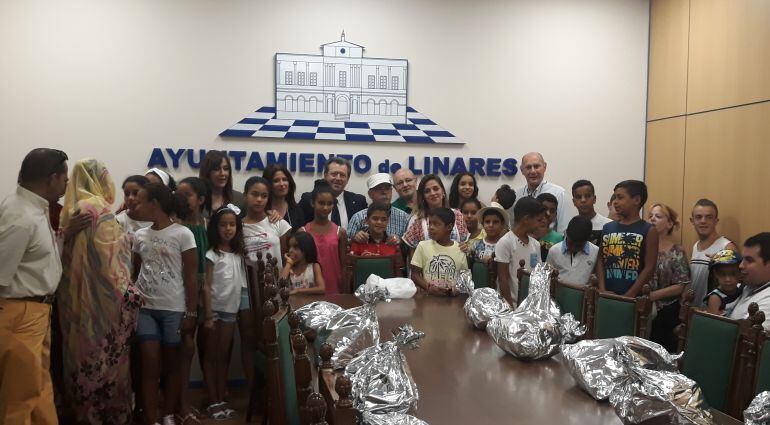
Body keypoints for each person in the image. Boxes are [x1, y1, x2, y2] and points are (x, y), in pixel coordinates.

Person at [57, 158, 142, 424]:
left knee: (78, 354)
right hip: (103, 307)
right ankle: (108, 415)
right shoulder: (100, 210)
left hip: (74, 301)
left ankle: (82, 412)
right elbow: (110, 261)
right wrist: (127, 240)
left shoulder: (71, 208)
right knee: (106, 359)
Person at [0, 148, 73, 424]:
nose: (67, 184)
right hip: (20, 312)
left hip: (36, 311)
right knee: (20, 398)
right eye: (65, 178)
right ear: (52, 178)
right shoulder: (21, 216)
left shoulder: (34, 207)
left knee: (40, 390)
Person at [130, 182, 198, 425]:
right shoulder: (140, 235)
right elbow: (136, 271)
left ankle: (168, 413)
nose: (136, 205)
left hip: (174, 309)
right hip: (146, 309)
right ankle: (151, 418)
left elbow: (191, 277)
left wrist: (191, 312)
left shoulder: (183, 234)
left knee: (172, 366)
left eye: (141, 200)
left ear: (154, 204)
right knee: (150, 365)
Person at [240, 176, 290, 389]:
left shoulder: (277, 222)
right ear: (245, 196)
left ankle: (276, 389)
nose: (259, 200)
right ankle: (254, 390)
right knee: (249, 338)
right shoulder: (237, 225)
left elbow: (290, 256)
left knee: (276, 339)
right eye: (254, 194)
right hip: (245, 289)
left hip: (277, 290)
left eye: (264, 196)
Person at [202, 205, 246, 421]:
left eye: (232, 225)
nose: (228, 229)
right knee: (210, 357)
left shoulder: (238, 254)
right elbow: (207, 286)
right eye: (223, 225)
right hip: (215, 312)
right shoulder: (212, 254)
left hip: (230, 311)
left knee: (222, 357)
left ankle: (221, 398)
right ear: (215, 228)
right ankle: (212, 400)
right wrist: (208, 315)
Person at [173, 176, 211, 424]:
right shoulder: (174, 225)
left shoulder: (206, 224)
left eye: (187, 194)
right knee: (182, 350)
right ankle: (179, 405)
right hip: (178, 294)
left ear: (200, 199)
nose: (181, 198)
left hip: (200, 295)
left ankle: (181, 403)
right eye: (179, 193)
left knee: (190, 350)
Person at [597, 180, 658, 297]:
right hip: (607, 294)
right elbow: (600, 259)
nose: (615, 202)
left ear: (636, 200)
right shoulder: (607, 228)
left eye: (620, 198)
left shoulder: (649, 230)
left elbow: (650, 267)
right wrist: (602, 289)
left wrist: (629, 295)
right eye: (614, 198)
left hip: (634, 298)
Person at [647, 203, 689, 353]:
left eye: (658, 216)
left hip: (667, 310)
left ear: (669, 223)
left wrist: (653, 296)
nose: (652, 219)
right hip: (642, 306)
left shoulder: (677, 251)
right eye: (650, 216)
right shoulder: (642, 247)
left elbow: (681, 285)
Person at [495, 197, 546, 306]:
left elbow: (538, 275)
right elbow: (503, 279)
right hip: (513, 305)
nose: (541, 224)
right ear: (526, 219)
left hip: (530, 306)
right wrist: (510, 309)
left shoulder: (535, 244)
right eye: (539, 220)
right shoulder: (505, 242)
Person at [689, 199, 737, 308]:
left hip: (713, 313)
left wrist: (719, 265)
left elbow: (734, 285)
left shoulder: (726, 247)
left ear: (716, 221)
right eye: (698, 217)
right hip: (694, 310)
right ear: (692, 221)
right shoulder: (695, 246)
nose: (703, 221)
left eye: (709, 217)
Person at [410, 208, 469, 296]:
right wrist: (428, 287)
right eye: (430, 224)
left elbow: (464, 278)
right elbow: (415, 275)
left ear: (449, 227)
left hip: (451, 300)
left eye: (436, 224)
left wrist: (455, 290)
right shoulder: (423, 246)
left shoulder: (459, 249)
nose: (431, 227)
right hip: (429, 298)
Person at [302, 183, 347, 294]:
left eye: (329, 203)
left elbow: (344, 264)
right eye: (321, 203)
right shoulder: (303, 232)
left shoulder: (340, 232)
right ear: (313, 203)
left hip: (335, 285)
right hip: (310, 285)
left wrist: (346, 289)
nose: (325, 207)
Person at [402, 174, 468, 250]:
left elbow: (464, 244)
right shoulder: (417, 220)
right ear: (423, 197)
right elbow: (412, 253)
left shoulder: (457, 215)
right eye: (427, 191)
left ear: (443, 192)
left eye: (436, 189)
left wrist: (465, 247)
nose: (432, 193)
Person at [298, 157, 367, 228]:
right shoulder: (309, 199)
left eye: (342, 175)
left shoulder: (359, 201)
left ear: (347, 179)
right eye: (334, 174)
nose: (338, 178)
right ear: (325, 175)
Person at [346, 173, 409, 245]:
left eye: (387, 188)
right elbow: (346, 245)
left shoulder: (404, 217)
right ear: (370, 194)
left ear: (391, 191)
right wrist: (355, 238)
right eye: (379, 189)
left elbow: (411, 245)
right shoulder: (358, 217)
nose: (384, 192)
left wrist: (400, 241)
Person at [515, 152, 568, 232]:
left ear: (544, 167)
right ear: (522, 170)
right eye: (528, 167)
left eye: (536, 166)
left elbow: (563, 230)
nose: (533, 171)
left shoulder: (559, 193)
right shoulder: (517, 195)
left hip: (551, 243)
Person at [729, 233, 770, 330]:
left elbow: (746, 337)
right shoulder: (748, 285)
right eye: (743, 259)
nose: (741, 266)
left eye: (749, 260)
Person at [546, 216, 599, 286]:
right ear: (566, 232)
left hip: (583, 296)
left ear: (588, 238)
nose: (573, 248)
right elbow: (546, 276)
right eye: (570, 243)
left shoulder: (596, 252)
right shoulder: (554, 250)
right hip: (558, 294)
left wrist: (596, 280)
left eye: (578, 246)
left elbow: (598, 277)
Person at [198, 150, 245, 214]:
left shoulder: (239, 198)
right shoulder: (197, 199)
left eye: (226, 169)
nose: (222, 173)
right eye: (217, 169)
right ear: (207, 172)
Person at [262, 163, 305, 229]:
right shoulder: (261, 209)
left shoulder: (296, 210)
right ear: (268, 185)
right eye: (276, 181)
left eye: (284, 179)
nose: (282, 184)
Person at [571, 179, 612, 247]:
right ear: (574, 202)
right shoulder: (571, 227)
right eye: (578, 197)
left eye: (587, 196)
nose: (583, 200)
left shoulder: (608, 225)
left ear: (594, 199)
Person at [704, 249, 743, 316]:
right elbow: (710, 323)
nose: (727, 279)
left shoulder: (742, 288)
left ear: (740, 273)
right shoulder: (715, 298)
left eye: (733, 274)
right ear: (716, 274)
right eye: (722, 274)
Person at [534, 193, 564, 261]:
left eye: (552, 211)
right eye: (544, 209)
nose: (548, 214)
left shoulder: (559, 238)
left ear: (556, 214)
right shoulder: (527, 235)